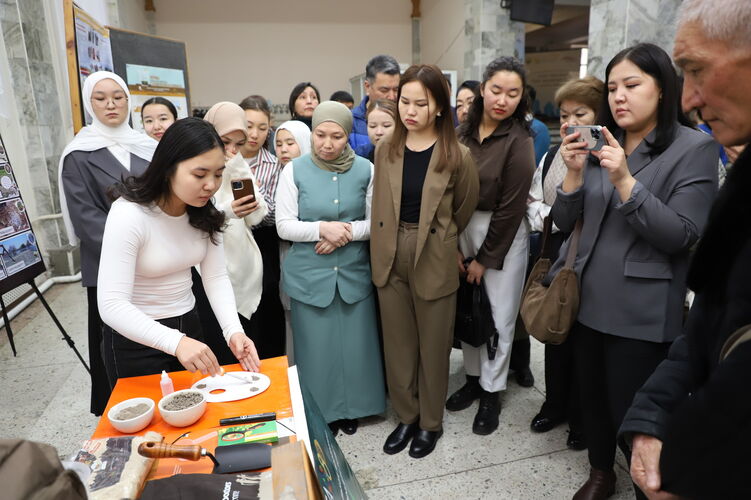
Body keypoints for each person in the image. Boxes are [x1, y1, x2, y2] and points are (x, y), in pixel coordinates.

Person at [548, 43, 718, 500]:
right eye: (612, 87)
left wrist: (625, 181)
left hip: (641, 307)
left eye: (631, 85)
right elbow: (564, 222)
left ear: (662, 89)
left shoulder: (694, 148)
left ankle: (649, 488)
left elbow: (681, 234)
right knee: (592, 398)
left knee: (636, 411)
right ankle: (601, 473)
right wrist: (573, 175)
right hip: (587, 297)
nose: (619, 96)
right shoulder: (603, 140)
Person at [619, 1, 751, 498]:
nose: (690, 98)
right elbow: (710, 324)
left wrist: (691, 461)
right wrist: (651, 415)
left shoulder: (694, 149)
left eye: (696, 69)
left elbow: (680, 233)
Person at [97, 117, 261, 385]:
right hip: (136, 338)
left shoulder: (204, 212)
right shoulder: (129, 214)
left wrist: (234, 331)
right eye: (199, 174)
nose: (211, 185)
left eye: (218, 174)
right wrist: (176, 342)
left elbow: (216, 277)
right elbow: (112, 304)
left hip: (189, 327)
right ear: (168, 168)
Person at [371, 64, 479, 458]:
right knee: (398, 346)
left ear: (439, 107)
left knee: (433, 346)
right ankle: (406, 416)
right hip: (389, 250)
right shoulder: (386, 148)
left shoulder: (456, 154)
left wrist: (445, 240)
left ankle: (430, 423)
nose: (410, 111)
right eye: (405, 101)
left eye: (421, 103)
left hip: (433, 251)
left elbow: (464, 206)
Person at [276, 101, 385, 436]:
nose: (327, 143)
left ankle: (356, 409)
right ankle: (322, 412)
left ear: (348, 135)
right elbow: (284, 225)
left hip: (352, 272)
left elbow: (376, 223)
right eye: (320, 135)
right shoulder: (294, 170)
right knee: (317, 350)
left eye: (336, 136)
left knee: (356, 348)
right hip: (310, 276)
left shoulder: (366, 169)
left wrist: (345, 233)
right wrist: (322, 229)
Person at [58, 71, 156, 416]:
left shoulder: (147, 147)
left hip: (158, 262)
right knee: (117, 344)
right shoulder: (78, 155)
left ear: (129, 101)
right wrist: (138, 250)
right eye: (100, 98)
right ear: (89, 104)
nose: (111, 104)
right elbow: (86, 220)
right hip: (110, 266)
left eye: (118, 97)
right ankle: (122, 411)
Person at [447, 57, 535, 435]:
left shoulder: (520, 141)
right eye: (496, 90)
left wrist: (484, 259)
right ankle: (472, 378)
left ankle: (492, 390)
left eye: (512, 94)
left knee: (499, 314)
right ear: (482, 89)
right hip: (461, 226)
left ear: (521, 98)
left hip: (502, 232)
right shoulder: (460, 133)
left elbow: (511, 208)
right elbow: (445, 191)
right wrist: (452, 246)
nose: (502, 100)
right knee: (468, 307)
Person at [526, 75, 604, 452]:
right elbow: (535, 201)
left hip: (596, 258)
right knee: (556, 332)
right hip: (559, 252)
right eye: (564, 115)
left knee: (586, 345)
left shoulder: (612, 155)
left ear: (600, 115)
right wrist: (552, 215)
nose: (570, 122)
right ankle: (554, 403)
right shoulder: (553, 155)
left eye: (581, 114)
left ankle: (581, 417)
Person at [203, 102, 271, 358]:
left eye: (238, 144)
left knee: (246, 344)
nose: (231, 150)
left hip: (244, 267)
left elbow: (257, 215)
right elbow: (194, 217)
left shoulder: (237, 165)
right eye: (224, 142)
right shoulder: (194, 169)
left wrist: (239, 169)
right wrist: (226, 210)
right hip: (206, 268)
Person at [238, 95, 287, 358]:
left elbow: (278, 215)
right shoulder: (222, 160)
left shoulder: (274, 164)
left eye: (262, 127)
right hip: (230, 242)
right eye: (248, 126)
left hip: (263, 242)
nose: (254, 134)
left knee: (266, 306)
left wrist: (257, 200)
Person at [273, 120, 312, 363]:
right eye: (278, 144)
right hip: (280, 251)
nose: (284, 149)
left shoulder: (312, 176)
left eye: (290, 143)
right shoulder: (273, 175)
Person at [350, 55, 401, 157]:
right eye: (384, 90)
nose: (392, 97)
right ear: (367, 87)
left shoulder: (406, 119)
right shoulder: (350, 121)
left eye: (396, 90)